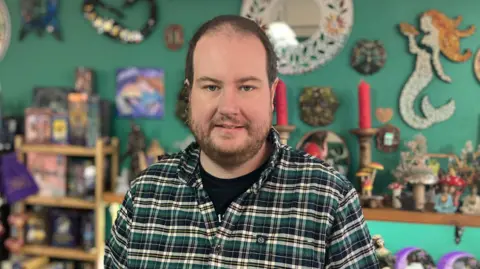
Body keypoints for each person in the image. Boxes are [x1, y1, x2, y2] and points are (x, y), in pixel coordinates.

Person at [104, 14, 379, 269]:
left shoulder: (330, 199)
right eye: (211, 86)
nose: (228, 107)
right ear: (190, 94)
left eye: (246, 87)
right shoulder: (143, 196)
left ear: (271, 94)